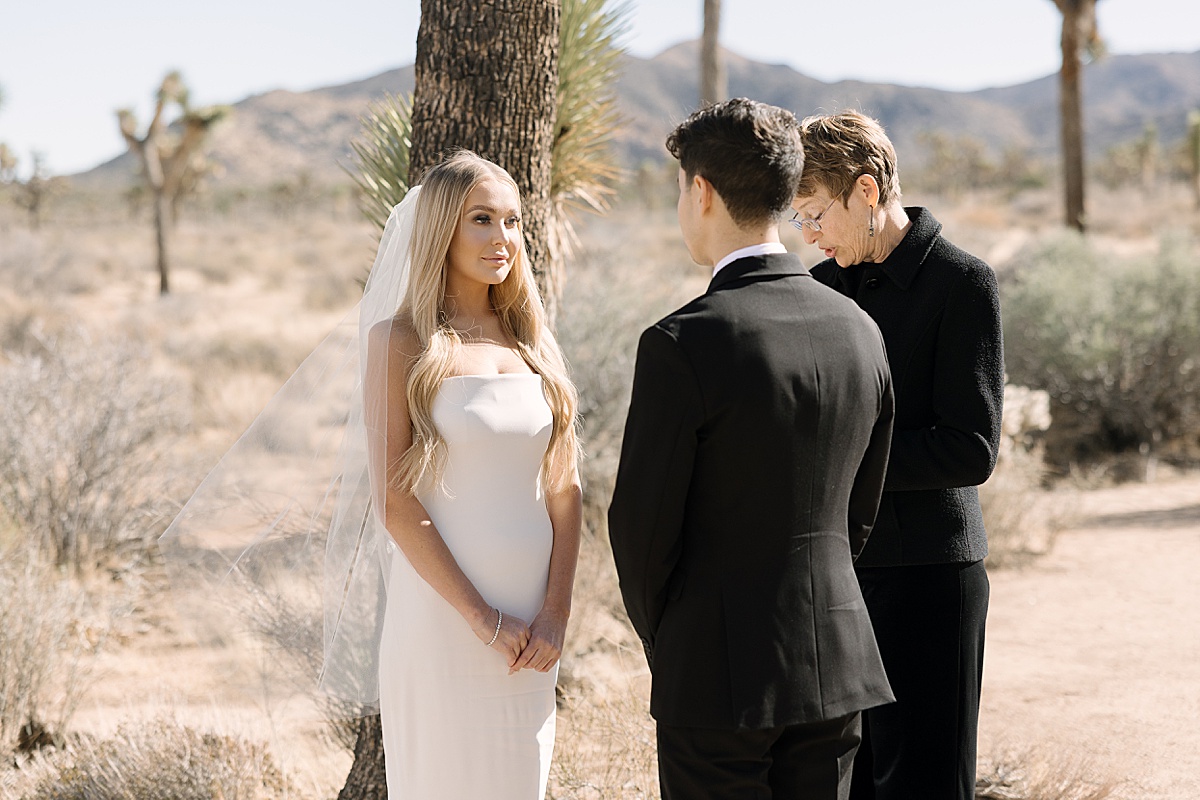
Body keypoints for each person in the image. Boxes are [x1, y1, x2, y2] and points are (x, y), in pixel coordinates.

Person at [608, 97, 897, 800]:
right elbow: (860, 510)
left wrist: (673, 643)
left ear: (700, 192)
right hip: (835, 663)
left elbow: (641, 534)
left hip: (715, 676)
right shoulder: (859, 330)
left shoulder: (682, 343)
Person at [790, 110, 1004, 800]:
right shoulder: (820, 291)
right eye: (799, 220)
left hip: (932, 580)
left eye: (816, 213)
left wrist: (843, 461)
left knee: (928, 785)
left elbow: (969, 449)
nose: (811, 234)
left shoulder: (962, 282)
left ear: (866, 191)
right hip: (838, 579)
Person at [363, 151, 582, 797]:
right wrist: (482, 618)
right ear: (442, 231)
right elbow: (395, 501)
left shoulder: (531, 341)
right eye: (481, 219)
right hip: (443, 616)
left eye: (513, 221)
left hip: (534, 626)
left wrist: (555, 615)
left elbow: (565, 492)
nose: (502, 238)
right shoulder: (399, 341)